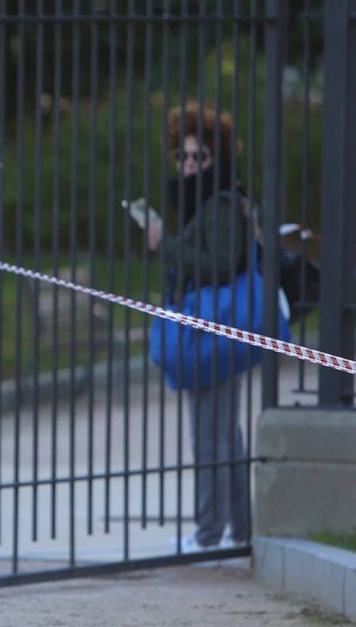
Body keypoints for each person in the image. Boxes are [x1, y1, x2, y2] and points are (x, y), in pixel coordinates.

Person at [146, 103, 251, 552]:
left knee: (213, 432)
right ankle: (238, 530)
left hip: (217, 331)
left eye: (198, 158)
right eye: (182, 158)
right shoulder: (200, 204)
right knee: (222, 432)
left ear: (217, 158)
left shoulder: (221, 204)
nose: (188, 166)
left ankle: (212, 533)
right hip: (207, 331)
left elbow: (223, 264)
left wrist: (163, 244)